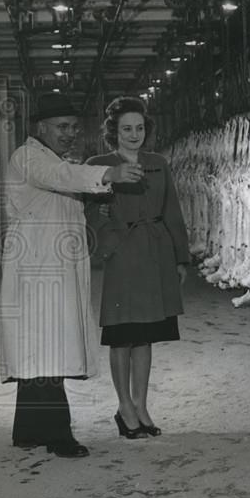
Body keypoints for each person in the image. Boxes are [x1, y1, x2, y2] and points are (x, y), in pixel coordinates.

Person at [0, 92, 144, 458]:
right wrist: (108, 173)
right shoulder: (30, 156)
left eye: (75, 128)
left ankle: (27, 431)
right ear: (41, 128)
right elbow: (61, 176)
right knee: (49, 349)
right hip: (38, 269)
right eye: (62, 127)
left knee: (39, 348)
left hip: (50, 265)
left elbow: (67, 185)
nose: (69, 134)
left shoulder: (53, 159)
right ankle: (58, 435)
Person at [85, 96, 190, 439]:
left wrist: (179, 257)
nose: (134, 135)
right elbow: (89, 213)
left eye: (140, 128)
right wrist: (109, 241)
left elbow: (172, 210)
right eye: (127, 128)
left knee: (145, 336)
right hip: (123, 255)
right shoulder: (99, 164)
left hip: (156, 252)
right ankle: (124, 407)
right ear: (113, 131)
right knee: (122, 335)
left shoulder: (158, 162)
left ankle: (141, 405)